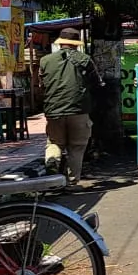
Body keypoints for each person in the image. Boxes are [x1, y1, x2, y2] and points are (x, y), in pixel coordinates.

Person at [38, 27, 102, 187]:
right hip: (79, 110)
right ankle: (72, 183)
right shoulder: (85, 60)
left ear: (60, 43)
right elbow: (96, 84)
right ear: (76, 43)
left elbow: (41, 85)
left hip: (53, 111)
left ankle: (52, 164)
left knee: (54, 142)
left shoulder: (45, 61)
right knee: (77, 147)